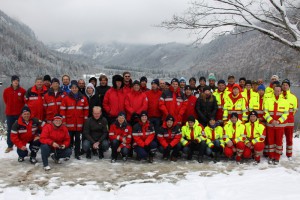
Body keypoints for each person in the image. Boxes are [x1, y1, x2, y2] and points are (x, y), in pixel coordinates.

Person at [60, 80, 89, 160]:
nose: (74, 89)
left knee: (77, 140)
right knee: (68, 140)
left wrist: (85, 121)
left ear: (78, 88)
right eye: (72, 88)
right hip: (69, 123)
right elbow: (62, 110)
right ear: (70, 88)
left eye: (76, 87)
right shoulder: (66, 98)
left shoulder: (83, 98)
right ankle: (67, 154)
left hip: (79, 123)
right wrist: (64, 121)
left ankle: (77, 153)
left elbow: (86, 110)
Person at [263, 82, 289, 165]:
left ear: (281, 91)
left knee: (278, 141)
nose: (277, 92)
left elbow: (286, 114)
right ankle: (271, 156)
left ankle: (277, 157)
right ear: (273, 91)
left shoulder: (285, 102)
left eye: (279, 91)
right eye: (276, 90)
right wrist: (271, 120)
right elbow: (265, 112)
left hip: (279, 125)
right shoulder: (268, 100)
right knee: (270, 141)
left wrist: (279, 121)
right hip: (270, 125)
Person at [3, 75, 26, 153]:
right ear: (12, 82)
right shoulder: (6, 90)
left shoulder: (22, 91)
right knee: (10, 130)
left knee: (20, 129)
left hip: (19, 114)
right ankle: (10, 145)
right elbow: (6, 100)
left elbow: (24, 102)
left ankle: (19, 144)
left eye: (17, 81)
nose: (16, 82)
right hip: (9, 114)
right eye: (14, 81)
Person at [281, 79, 298, 160]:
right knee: (279, 137)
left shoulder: (293, 97)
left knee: (289, 138)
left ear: (289, 86)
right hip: (280, 120)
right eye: (283, 85)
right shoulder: (278, 95)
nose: (285, 86)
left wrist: (290, 117)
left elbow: (295, 109)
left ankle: (289, 154)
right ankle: (279, 151)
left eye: (286, 85)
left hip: (290, 121)